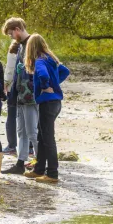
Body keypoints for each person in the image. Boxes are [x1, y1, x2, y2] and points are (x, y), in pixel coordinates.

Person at [23, 33, 70, 183]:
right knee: (41, 137)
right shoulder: (51, 58)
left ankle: (52, 174)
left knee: (48, 138)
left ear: (31, 48)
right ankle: (39, 169)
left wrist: (46, 86)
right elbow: (65, 71)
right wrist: (55, 84)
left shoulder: (39, 61)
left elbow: (43, 75)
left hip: (48, 103)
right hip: (55, 103)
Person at [1, 17, 38, 175]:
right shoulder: (21, 46)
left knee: (32, 131)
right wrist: (13, 93)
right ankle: (20, 162)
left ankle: (41, 161)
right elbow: (17, 71)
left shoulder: (33, 43)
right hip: (20, 95)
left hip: (31, 96)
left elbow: (39, 68)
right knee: (21, 131)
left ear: (17, 29)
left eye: (11, 34)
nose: (11, 37)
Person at [3, 41, 19, 155]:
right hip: (26, 90)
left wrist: (5, 84)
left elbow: (9, 71)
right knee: (26, 118)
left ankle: (12, 145)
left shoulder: (12, 53)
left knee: (11, 117)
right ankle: (30, 147)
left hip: (13, 89)